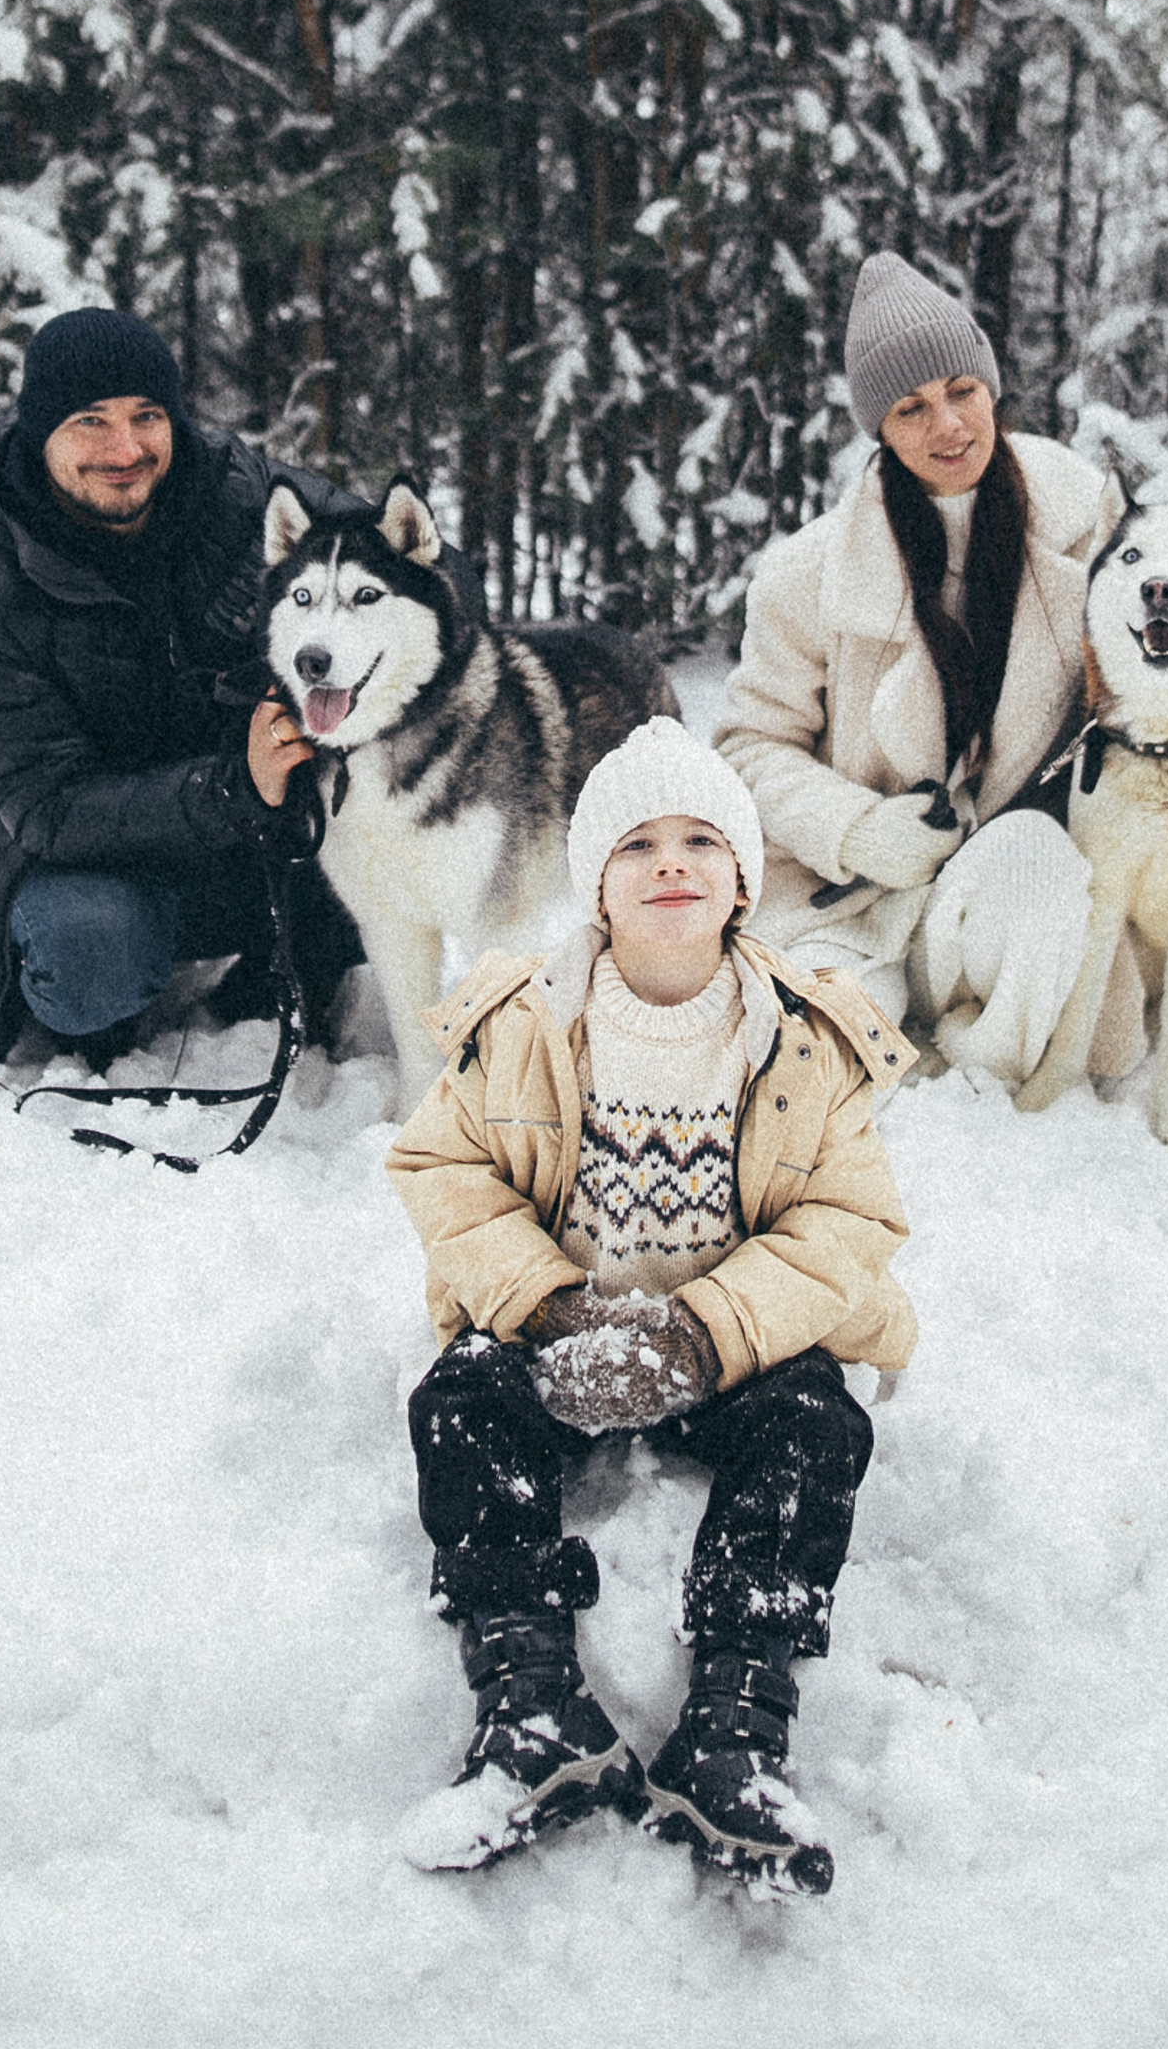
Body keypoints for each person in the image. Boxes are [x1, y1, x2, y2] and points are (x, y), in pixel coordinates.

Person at [386, 716, 916, 1895]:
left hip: (728, 1355)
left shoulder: (804, 1041)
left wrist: (700, 1335)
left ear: (741, 878)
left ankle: (735, 1731)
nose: (671, 862)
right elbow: (444, 1173)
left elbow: (851, 1224)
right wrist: (551, 1311)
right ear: (595, 887)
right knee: (463, 1400)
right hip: (567, 1339)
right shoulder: (521, 1023)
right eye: (636, 846)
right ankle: (533, 1713)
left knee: (817, 1423)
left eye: (699, 841)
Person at [714, 248, 1143, 1088]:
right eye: (911, 408)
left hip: (1008, 894)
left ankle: (980, 1074)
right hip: (859, 899)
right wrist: (854, 828)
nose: (947, 425)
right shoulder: (806, 577)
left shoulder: (1090, 524)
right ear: (879, 428)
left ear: (992, 389)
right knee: (796, 1069)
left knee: (1034, 858)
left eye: (962, 392)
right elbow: (745, 749)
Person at [0, 307, 363, 1072]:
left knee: (383, 834)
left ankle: (289, 970)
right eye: (90, 421)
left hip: (253, 838)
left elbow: (406, 562)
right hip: (92, 861)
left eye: (146, 416)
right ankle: (94, 1013)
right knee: (90, 952)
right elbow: (50, 807)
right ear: (38, 432)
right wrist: (238, 783)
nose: (124, 449)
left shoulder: (236, 488)